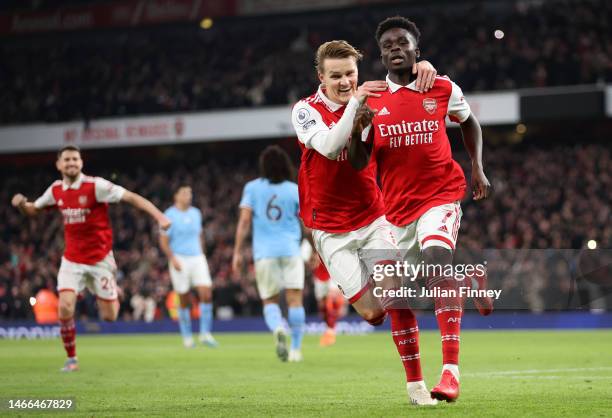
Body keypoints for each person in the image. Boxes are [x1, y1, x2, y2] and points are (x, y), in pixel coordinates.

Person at [349, 16, 493, 402]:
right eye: (388, 46)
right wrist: (356, 127)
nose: (395, 49)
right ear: (380, 56)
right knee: (395, 297)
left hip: (441, 195)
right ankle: (416, 384)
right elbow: (359, 163)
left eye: (402, 43)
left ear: (417, 50)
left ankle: (450, 373)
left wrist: (477, 167)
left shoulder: (442, 86)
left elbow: (470, 123)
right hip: (394, 212)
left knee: (435, 258)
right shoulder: (371, 100)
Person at [291, 39, 439, 405]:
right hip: (329, 229)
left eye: (350, 74)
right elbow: (327, 146)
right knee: (373, 313)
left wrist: (426, 72)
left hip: (373, 217)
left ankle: (417, 387)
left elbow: (408, 95)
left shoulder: (372, 102)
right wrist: (355, 107)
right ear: (321, 78)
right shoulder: (305, 110)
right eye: (336, 76)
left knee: (396, 298)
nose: (344, 82)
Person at [11, 145, 170, 372]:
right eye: (67, 160)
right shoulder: (56, 190)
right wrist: (21, 205)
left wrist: (159, 216)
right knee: (65, 307)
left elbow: (131, 197)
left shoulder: (96, 186)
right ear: (59, 165)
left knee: (110, 316)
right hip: (72, 260)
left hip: (100, 261)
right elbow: (33, 209)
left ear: (81, 162)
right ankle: (72, 359)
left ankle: (113, 291)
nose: (71, 163)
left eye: (75, 159)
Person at [232, 145, 305, 362]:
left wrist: (237, 252)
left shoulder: (252, 188)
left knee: (270, 301)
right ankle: (296, 350)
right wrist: (315, 249)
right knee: (295, 300)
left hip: (265, 253)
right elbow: (306, 224)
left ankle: (277, 329)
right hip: (291, 250)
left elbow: (244, 221)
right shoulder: (294, 189)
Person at [159, 185, 218, 348]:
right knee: (184, 298)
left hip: (197, 257)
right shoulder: (168, 215)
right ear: (176, 196)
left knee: (206, 293)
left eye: (190, 193)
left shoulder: (196, 213)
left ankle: (205, 334)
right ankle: (187, 336)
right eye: (185, 193)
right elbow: (163, 241)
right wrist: (172, 259)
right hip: (179, 258)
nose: (188, 196)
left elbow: (199, 236)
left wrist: (203, 255)